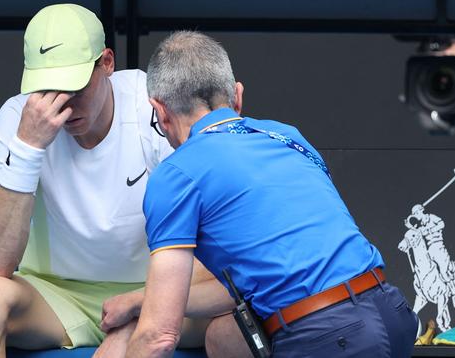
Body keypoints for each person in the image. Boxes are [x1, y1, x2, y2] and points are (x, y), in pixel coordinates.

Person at [126, 31, 419, 358]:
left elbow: (158, 336)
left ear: (160, 111)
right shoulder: (286, 136)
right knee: (224, 336)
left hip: (326, 335)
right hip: (392, 311)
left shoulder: (176, 174)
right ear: (237, 96)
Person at [0, 5, 214, 358]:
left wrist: (138, 312)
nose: (63, 106)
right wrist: (29, 147)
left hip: (155, 290)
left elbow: (206, 237)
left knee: (231, 302)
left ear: (107, 63)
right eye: (47, 90)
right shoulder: (19, 117)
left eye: (75, 87)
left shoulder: (151, 104)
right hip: (56, 297)